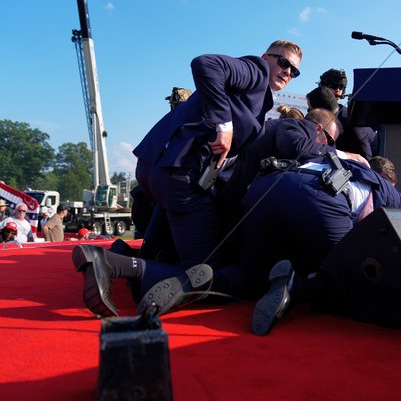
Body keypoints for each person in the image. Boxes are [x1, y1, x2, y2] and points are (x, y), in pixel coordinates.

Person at [73, 40, 303, 318]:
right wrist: (224, 124)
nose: (288, 72)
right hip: (180, 172)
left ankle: (127, 257)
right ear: (266, 57)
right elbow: (206, 63)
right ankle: (111, 265)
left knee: (179, 241)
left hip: (160, 168)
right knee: (204, 275)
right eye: (284, 63)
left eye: (295, 71)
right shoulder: (254, 70)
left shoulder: (260, 99)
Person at [201, 153, 401, 335]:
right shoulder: (386, 188)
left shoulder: (332, 161)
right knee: (347, 276)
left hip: (268, 187)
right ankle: (295, 289)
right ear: (386, 178)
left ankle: (207, 281)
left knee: (255, 272)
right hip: (321, 198)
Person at [318, 69, 378, 160]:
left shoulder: (350, 116)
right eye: (334, 86)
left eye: (341, 87)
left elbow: (366, 158)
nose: (338, 90)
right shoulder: (315, 113)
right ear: (323, 86)